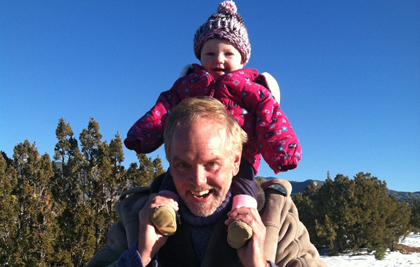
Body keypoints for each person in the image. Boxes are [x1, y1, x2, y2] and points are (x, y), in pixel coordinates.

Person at [124, 1, 301, 249]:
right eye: (210, 53)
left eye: (228, 53)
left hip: (245, 158)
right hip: (186, 150)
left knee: (245, 188)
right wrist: (144, 134)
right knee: (169, 182)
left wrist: (282, 150)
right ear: (199, 56)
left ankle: (244, 224)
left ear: (242, 59)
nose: (218, 59)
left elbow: (270, 115)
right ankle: (165, 210)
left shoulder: (251, 88)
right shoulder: (189, 84)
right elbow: (164, 108)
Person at [87, 97, 326, 267]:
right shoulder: (137, 217)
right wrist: (140, 255)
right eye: (183, 165)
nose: (198, 181)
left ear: (235, 162)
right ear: (170, 162)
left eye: (212, 164)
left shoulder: (274, 216)